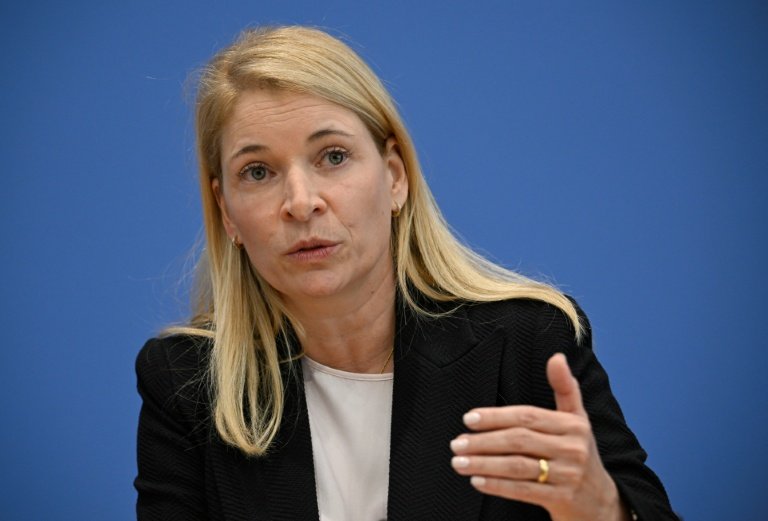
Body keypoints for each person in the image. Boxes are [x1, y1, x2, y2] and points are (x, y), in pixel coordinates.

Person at [134, 26, 676, 521]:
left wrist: (604, 509)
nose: (301, 203)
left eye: (333, 157)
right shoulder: (186, 383)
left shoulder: (527, 344)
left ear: (394, 178)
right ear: (227, 211)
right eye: (258, 172)